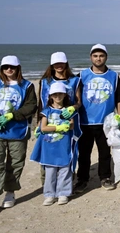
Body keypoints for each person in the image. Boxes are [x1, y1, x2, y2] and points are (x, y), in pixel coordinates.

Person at [0, 56, 37, 219]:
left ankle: (10, 191)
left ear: (18, 68)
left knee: (15, 162)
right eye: (6, 67)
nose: (9, 70)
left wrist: (13, 115)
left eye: (12, 67)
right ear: (2, 69)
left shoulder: (27, 86)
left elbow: (31, 106)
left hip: (17, 131)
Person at [75, 44, 120, 193]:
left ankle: (105, 177)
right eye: (95, 56)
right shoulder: (82, 76)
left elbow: (118, 98)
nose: (98, 58)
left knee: (104, 153)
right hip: (85, 121)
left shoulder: (113, 76)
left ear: (106, 57)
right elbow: (75, 98)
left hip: (106, 122)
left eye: (101, 56)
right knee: (84, 153)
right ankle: (82, 180)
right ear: (90, 57)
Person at [36, 52, 82, 186]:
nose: (59, 66)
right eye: (56, 63)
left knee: (68, 151)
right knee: (47, 150)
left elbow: (79, 102)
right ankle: (47, 185)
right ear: (52, 65)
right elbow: (41, 103)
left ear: (66, 63)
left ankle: (66, 185)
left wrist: (73, 107)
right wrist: (39, 123)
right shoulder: (45, 81)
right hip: (48, 122)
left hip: (68, 122)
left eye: (61, 63)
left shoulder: (74, 80)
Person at [31, 82, 75, 206]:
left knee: (65, 169)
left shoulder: (68, 110)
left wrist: (68, 125)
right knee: (50, 171)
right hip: (49, 147)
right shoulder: (47, 111)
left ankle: (63, 193)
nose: (57, 96)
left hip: (64, 145)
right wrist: (58, 127)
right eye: (55, 94)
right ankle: (49, 194)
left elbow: (72, 125)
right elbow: (43, 127)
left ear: (65, 95)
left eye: (60, 94)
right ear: (50, 96)